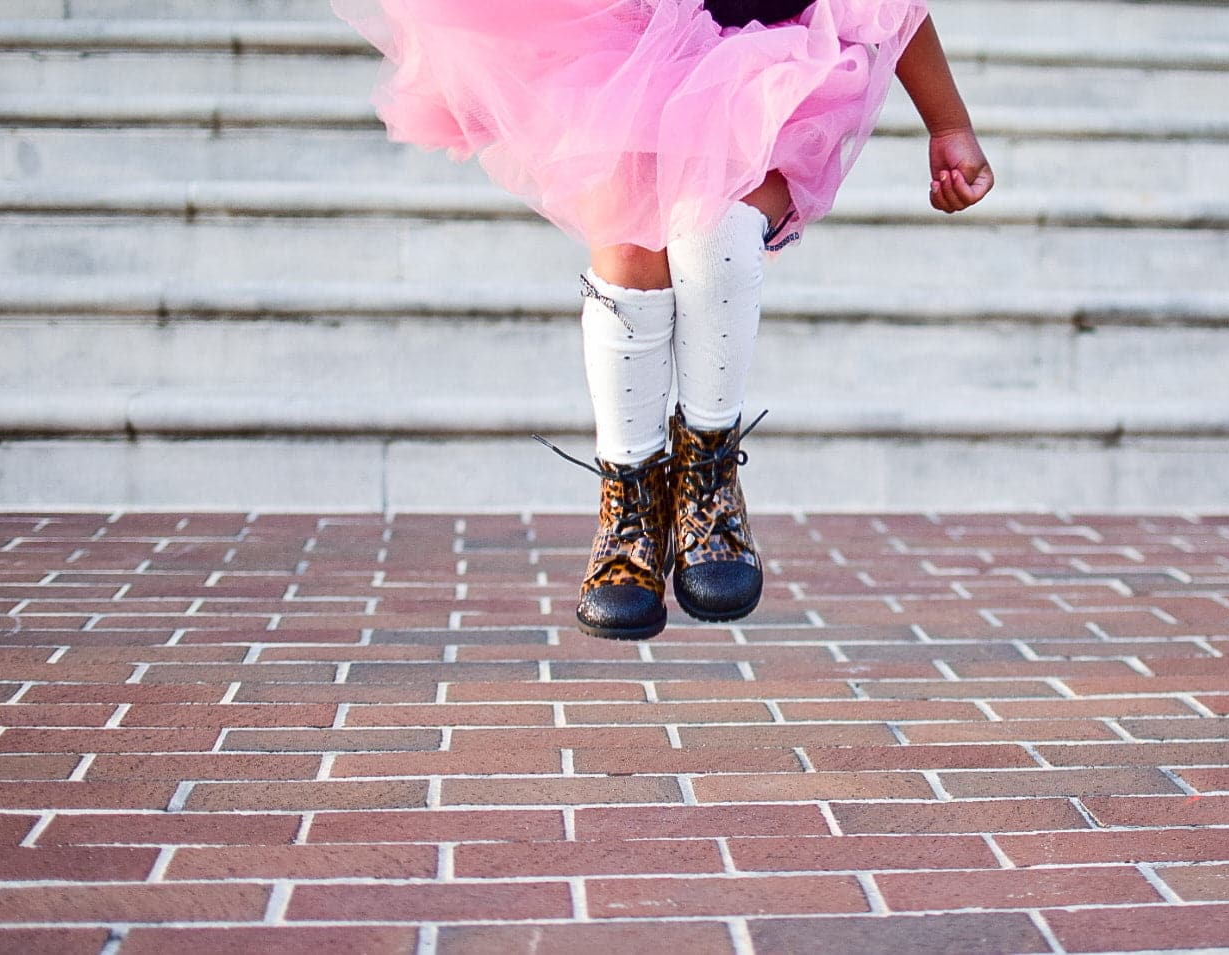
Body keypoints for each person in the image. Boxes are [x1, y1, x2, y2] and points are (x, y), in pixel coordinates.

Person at [332, 0, 994, 641]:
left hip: (775, 55)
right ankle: (630, 502)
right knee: (627, 245)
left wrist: (948, 123)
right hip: (627, 42)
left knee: (717, 230)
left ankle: (708, 477)